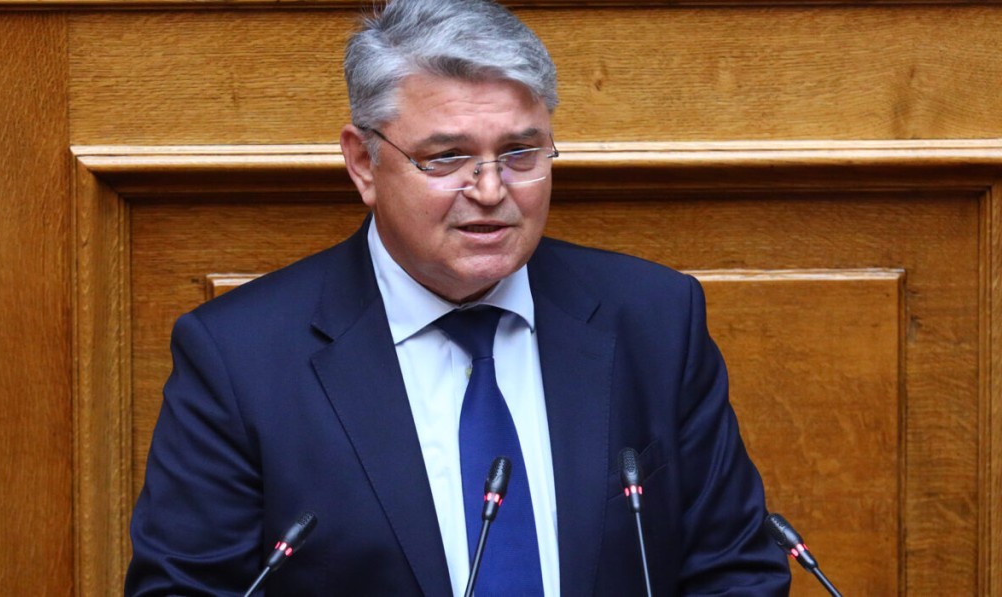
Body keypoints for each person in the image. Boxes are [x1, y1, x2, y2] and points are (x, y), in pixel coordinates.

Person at [125, 0, 791, 595]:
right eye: (446, 157)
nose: (492, 190)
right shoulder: (240, 357)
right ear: (363, 162)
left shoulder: (655, 319)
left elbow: (737, 571)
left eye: (521, 153)